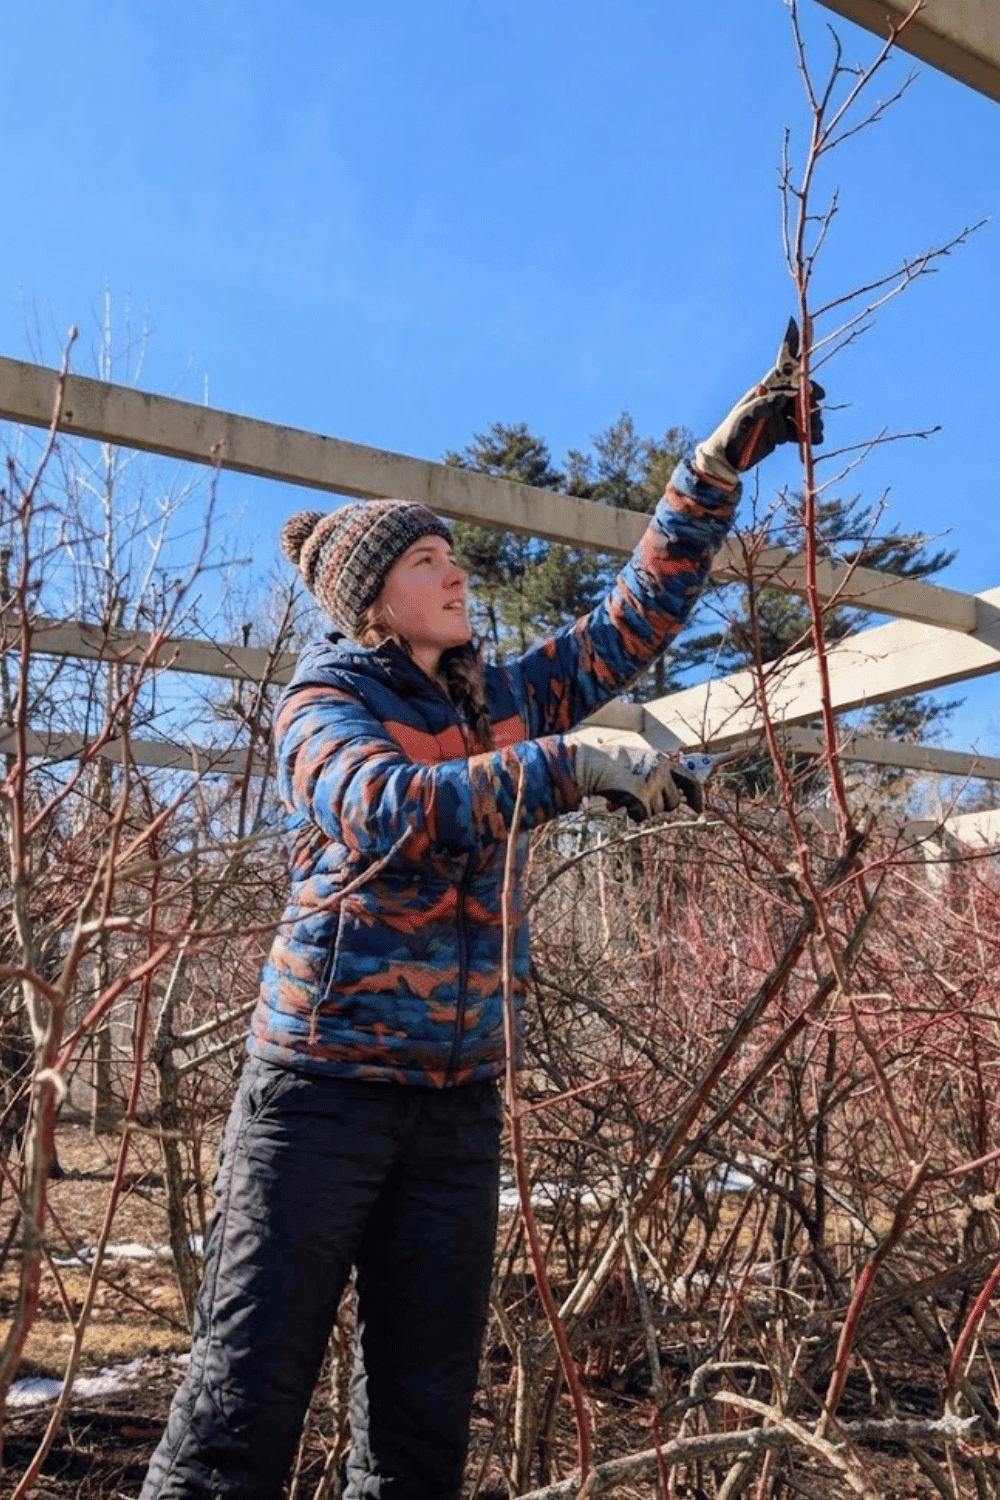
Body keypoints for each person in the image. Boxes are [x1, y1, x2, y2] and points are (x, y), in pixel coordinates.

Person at [140, 327, 822, 1500]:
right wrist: (572, 769)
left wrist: (711, 469)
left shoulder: (504, 698)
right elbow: (381, 809)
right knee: (234, 1419)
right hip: (320, 1097)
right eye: (427, 562)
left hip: (455, 1111)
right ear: (371, 604)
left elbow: (631, 624)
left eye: (454, 557)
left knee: (418, 1438)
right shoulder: (324, 699)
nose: (456, 574)